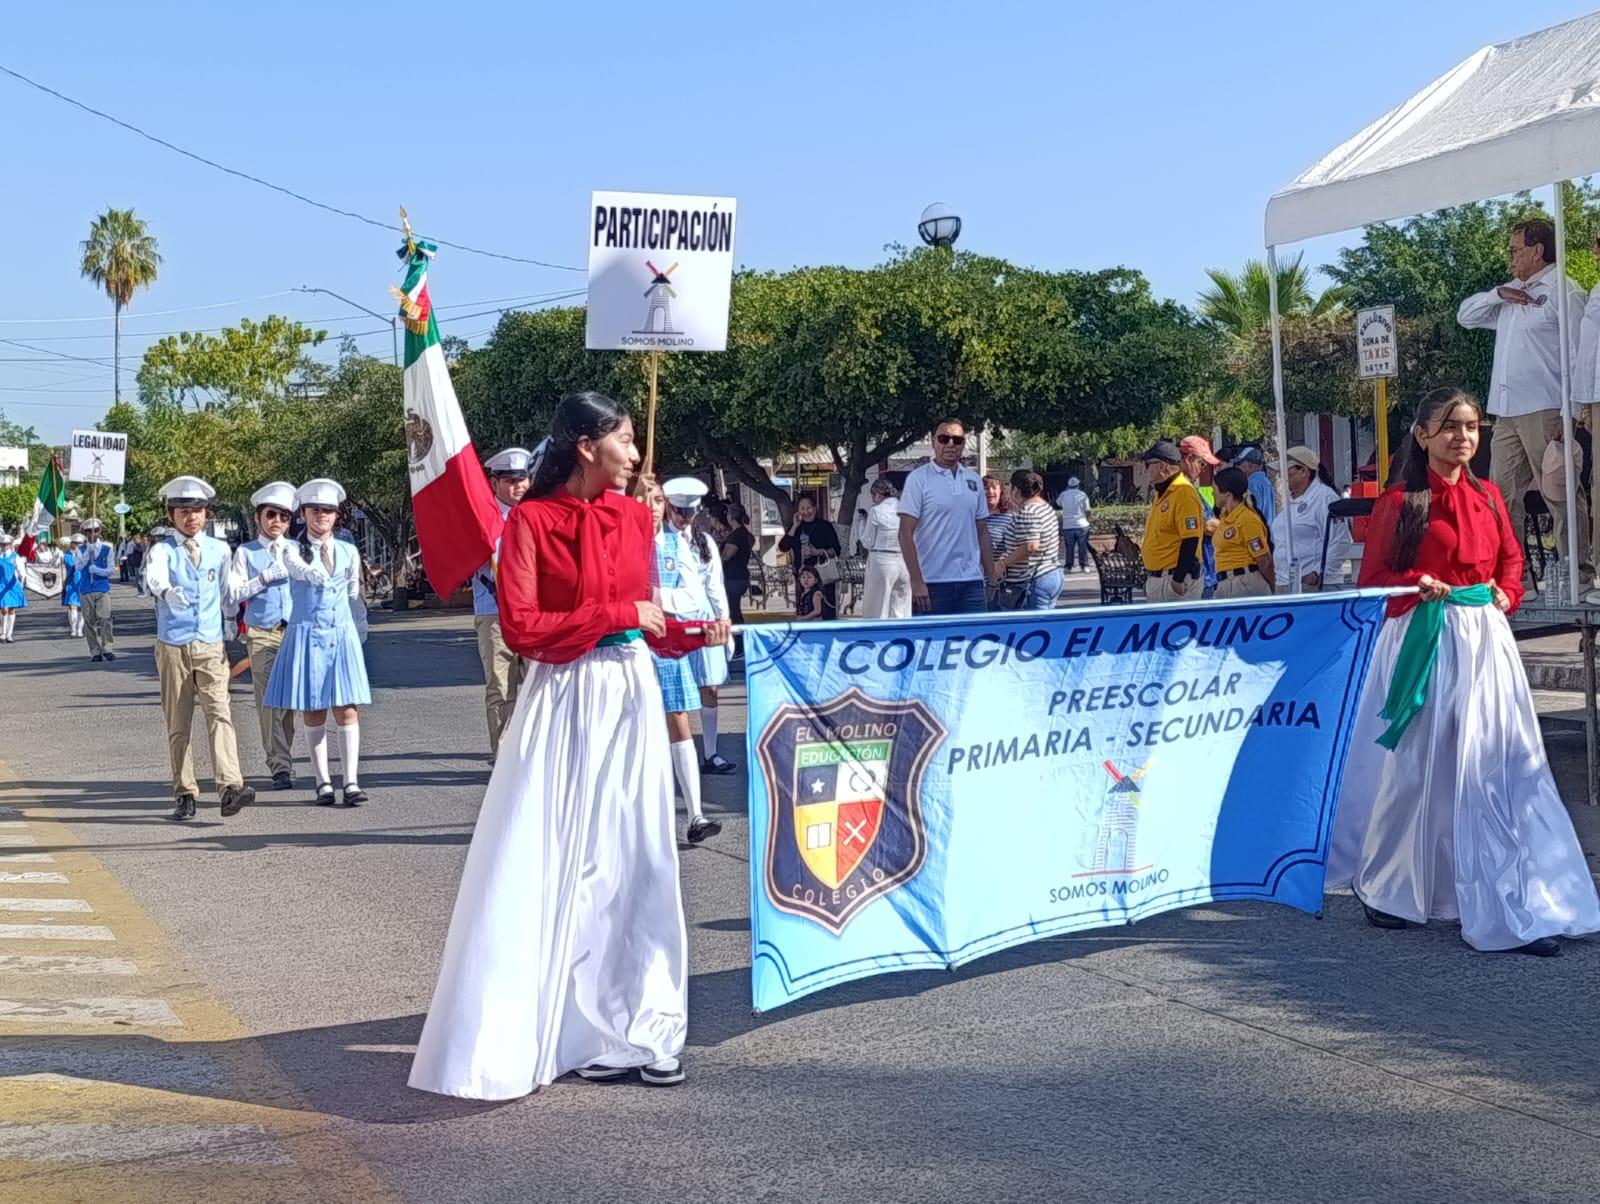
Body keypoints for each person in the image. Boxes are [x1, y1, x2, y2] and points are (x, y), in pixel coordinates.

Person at [409, 390, 725, 1099]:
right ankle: (562, 1030)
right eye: (624, 441)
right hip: (564, 699)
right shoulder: (530, 520)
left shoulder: (633, 516)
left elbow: (645, 621)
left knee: (639, 859)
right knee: (555, 858)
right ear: (586, 446)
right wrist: (619, 612)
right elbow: (523, 627)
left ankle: (644, 1029)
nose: (635, 455)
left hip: (631, 694)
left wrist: (691, 633)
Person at [1327, 387, 1600, 956]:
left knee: (1499, 765)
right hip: (1423, 639)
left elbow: (1511, 558)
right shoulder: (1399, 502)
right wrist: (1416, 584)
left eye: (1472, 426)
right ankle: (1389, 884)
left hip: (1483, 641)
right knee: (1416, 765)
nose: (1463, 437)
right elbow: (1373, 581)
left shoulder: (1489, 496)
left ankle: (1515, 896)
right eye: (1450, 426)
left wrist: (1507, 593)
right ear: (1422, 435)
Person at [1458, 217, 1588, 586]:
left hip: (1545, 408)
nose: (1510, 257)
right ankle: (1512, 576)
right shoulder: (1510, 292)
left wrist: (1571, 412)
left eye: (1515, 250)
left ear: (1537, 250)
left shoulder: (1564, 291)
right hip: (1506, 411)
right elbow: (1465, 316)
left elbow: (1577, 353)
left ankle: (1576, 571)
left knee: (1559, 491)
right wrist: (1497, 294)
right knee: (1500, 496)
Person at [143, 476, 256, 822]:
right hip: (173, 645)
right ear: (171, 515)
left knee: (220, 713)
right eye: (183, 511)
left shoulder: (219, 549)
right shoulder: (162, 550)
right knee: (179, 722)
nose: (191, 517)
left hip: (210, 644)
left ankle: (230, 787)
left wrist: (231, 619)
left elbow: (227, 590)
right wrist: (166, 592)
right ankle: (185, 791)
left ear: (206, 514)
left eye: (197, 511)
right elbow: (154, 578)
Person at [263, 479, 371, 808]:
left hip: (341, 633)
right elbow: (296, 568)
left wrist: (359, 628)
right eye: (314, 510)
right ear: (304, 514)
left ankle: (350, 781)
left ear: (336, 515)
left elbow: (353, 594)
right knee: (314, 709)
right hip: (308, 634)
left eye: (327, 510)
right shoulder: (291, 548)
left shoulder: (349, 551)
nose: (321, 515)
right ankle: (322, 781)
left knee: (347, 708)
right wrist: (311, 571)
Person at [650, 475, 734, 841]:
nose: (653, 509)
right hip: (635, 638)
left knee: (683, 710)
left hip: (681, 634)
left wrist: (723, 622)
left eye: (657, 502)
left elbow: (702, 590)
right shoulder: (628, 540)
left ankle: (695, 814)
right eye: (646, 502)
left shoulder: (692, 544)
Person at [225, 481, 298, 791]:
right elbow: (234, 593)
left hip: (293, 632)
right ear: (258, 518)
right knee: (269, 699)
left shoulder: (297, 550)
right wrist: (263, 578)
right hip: (262, 632)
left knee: (289, 702)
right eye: (271, 514)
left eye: (283, 516)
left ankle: (283, 754)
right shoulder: (246, 552)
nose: (277, 521)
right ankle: (279, 764)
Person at [472, 447, 534, 761]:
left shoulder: (539, 514)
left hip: (534, 612)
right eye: (510, 480)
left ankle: (535, 753)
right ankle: (505, 757)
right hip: (494, 612)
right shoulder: (481, 518)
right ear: (494, 482)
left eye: (522, 479)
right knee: (500, 686)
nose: (518, 486)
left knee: (538, 684)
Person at [899, 418, 996, 614]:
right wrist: (916, 581)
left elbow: (982, 532)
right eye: (944, 439)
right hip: (932, 583)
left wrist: (992, 577)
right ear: (933, 441)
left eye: (957, 440)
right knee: (933, 635)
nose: (950, 444)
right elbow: (905, 533)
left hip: (971, 582)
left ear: (963, 444)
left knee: (976, 634)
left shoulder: (974, 480)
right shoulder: (918, 479)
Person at [1271, 446, 1353, 591]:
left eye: (1286, 471)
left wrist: (1317, 573)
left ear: (1303, 471)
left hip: (1315, 585)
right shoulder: (1289, 502)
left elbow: (1340, 541)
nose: (1282, 477)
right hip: (1286, 583)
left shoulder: (1324, 498)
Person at [1137, 440, 1205, 603]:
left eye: (1148, 465)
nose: (1145, 470)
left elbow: (1191, 540)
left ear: (1162, 466)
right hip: (1160, 577)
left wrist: (1177, 580)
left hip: (1172, 579)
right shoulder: (1163, 492)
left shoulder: (1183, 492)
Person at [991, 470, 1062, 610]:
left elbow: (1030, 546)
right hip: (1051, 572)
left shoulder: (1028, 512)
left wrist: (1003, 563)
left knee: (1035, 621)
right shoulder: (1044, 507)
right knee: (1046, 619)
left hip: (1035, 578)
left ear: (1016, 489)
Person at [1208, 467, 1275, 598]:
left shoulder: (1247, 519)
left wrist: (1273, 589)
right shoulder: (1226, 519)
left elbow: (1264, 559)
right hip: (1225, 582)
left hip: (1244, 581)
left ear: (1227, 493)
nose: (1212, 494)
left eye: (1215, 490)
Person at [778, 496, 840, 615]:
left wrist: (818, 552)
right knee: (805, 612)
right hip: (803, 577)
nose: (806, 512)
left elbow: (836, 550)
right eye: (802, 509)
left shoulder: (825, 526)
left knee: (825, 612)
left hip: (823, 577)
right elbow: (783, 547)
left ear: (815, 508)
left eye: (809, 508)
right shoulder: (796, 527)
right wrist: (794, 526)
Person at [859, 477, 911, 618]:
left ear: (878, 495)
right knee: (900, 611)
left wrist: (862, 528)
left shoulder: (876, 511)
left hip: (882, 560)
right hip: (904, 561)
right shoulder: (904, 509)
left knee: (878, 609)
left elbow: (867, 542)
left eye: (873, 496)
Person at [1179, 436, 1222, 598]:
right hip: (1199, 574)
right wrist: (1235, 528)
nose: (1203, 470)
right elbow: (1206, 525)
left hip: (1205, 572)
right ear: (1189, 459)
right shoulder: (1184, 490)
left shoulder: (1188, 488)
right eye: (1201, 463)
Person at [77, 517, 116, 662]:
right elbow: (79, 567)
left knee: (105, 617)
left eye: (95, 530)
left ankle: (108, 648)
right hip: (86, 589)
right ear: (85, 533)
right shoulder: (81, 550)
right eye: (89, 531)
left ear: (99, 532)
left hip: (102, 588)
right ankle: (95, 651)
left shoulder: (107, 549)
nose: (92, 534)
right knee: (89, 621)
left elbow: (111, 570)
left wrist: (98, 570)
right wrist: (87, 554)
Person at [717, 502, 755, 629]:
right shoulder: (745, 534)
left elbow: (726, 556)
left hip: (733, 577)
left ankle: (739, 635)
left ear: (732, 516)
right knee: (734, 608)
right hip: (740, 575)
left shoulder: (737, 535)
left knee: (733, 609)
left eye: (728, 513)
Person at [1233, 446, 1278, 528]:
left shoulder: (1251, 485)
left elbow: (1250, 514)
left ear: (1251, 465)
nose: (1238, 468)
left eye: (1241, 464)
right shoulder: (1266, 483)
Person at [1056, 476, 1092, 573]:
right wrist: (1088, 521)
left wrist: (1065, 490)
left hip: (1068, 525)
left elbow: (1058, 503)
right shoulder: (1082, 495)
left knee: (1069, 547)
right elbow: (1087, 510)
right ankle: (1084, 565)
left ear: (1068, 486)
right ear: (1078, 485)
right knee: (1082, 546)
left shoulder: (1064, 494)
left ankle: (1069, 566)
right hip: (1082, 525)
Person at [0, 532, 25, 642]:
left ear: (10, 545)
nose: (3, 546)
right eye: (2, 544)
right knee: (3, 608)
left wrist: (22, 583)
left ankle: (9, 634)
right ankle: (3, 632)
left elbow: (22, 571)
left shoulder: (15, 557)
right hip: (1, 585)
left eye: (5, 544)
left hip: (12, 585)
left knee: (11, 609)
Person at [980, 473, 1012, 558]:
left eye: (994, 488)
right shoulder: (973, 517)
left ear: (1001, 491)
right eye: (986, 488)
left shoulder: (1010, 518)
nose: (990, 491)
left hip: (999, 564)